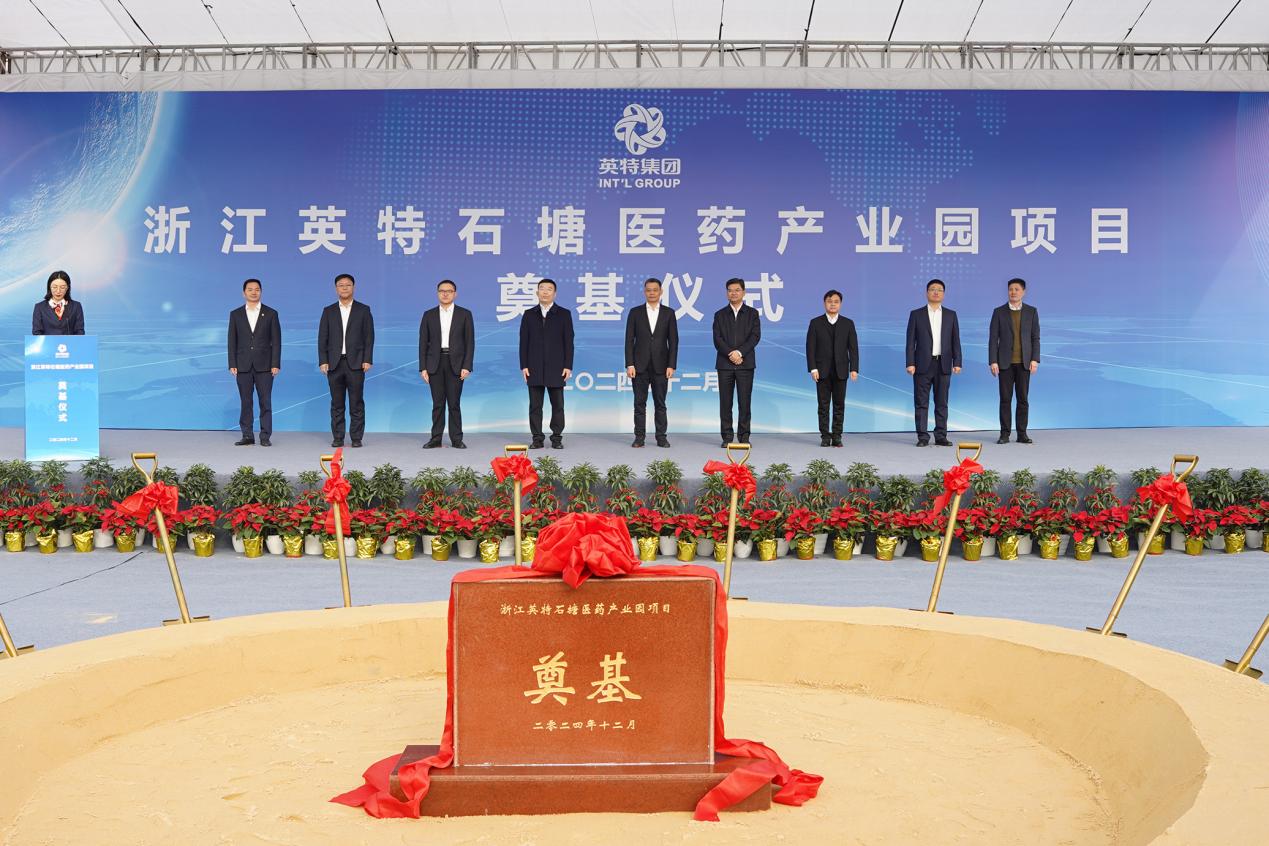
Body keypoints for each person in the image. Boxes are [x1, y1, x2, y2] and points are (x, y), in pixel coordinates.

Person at [317, 273, 374, 448]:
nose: (344, 288)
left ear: (353, 287)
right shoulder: (328, 311)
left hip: (356, 363)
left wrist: (367, 359)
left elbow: (369, 337)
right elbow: (322, 338)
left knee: (356, 403)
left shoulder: (363, 310)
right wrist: (323, 360)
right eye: (341, 285)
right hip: (334, 364)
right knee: (337, 404)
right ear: (336, 289)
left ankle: (356, 438)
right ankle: (338, 437)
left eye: (348, 285)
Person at [905, 279, 961, 447]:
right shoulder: (916, 314)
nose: (936, 292)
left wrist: (957, 361)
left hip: (943, 363)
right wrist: (910, 362)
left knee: (942, 402)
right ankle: (923, 437)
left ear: (944, 293)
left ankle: (941, 436)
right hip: (922, 364)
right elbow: (910, 341)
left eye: (939, 290)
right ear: (926, 292)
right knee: (921, 402)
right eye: (932, 289)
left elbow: (955, 340)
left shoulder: (951, 315)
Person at [419, 279, 474, 450]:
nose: (445, 294)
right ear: (437, 293)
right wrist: (423, 367)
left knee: (454, 404)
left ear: (455, 294)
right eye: (442, 291)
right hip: (434, 363)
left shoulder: (464, 314)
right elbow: (423, 342)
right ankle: (435, 438)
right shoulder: (429, 315)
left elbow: (470, 342)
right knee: (438, 404)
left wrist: (467, 366)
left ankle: (456, 439)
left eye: (449, 291)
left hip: (456, 363)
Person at [624, 277, 678, 448]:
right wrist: (630, 364)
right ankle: (639, 437)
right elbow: (629, 340)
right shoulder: (635, 312)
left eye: (655, 290)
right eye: (649, 290)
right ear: (644, 292)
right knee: (639, 404)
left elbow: (673, 341)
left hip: (661, 366)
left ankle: (661, 437)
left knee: (660, 404)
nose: (652, 293)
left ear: (661, 292)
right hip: (639, 366)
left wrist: (671, 365)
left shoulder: (669, 313)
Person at [519, 278, 573, 449]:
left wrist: (568, 365)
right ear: (537, 292)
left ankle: (556, 438)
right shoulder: (529, 314)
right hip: (533, 367)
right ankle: (537, 439)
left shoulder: (564, 314)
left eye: (549, 289)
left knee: (558, 405)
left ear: (554, 294)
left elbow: (569, 342)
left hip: (557, 367)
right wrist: (524, 365)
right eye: (542, 288)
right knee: (535, 406)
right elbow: (523, 342)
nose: (545, 292)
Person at [227, 278, 281, 447]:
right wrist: (232, 363)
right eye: (250, 289)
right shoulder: (235, 314)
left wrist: (275, 364)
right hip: (242, 365)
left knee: (265, 402)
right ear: (244, 293)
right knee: (246, 402)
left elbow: (276, 341)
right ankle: (247, 435)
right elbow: (232, 341)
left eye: (257, 289)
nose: (254, 292)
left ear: (261, 292)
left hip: (265, 366)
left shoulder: (271, 313)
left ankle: (265, 436)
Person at [988, 277, 1040, 444]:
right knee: (1005, 399)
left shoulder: (1032, 311)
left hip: (1025, 363)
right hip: (1005, 363)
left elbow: (1035, 338)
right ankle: (1004, 434)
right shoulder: (999, 312)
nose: (1013, 292)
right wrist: (993, 361)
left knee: (1023, 399)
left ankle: (1022, 433)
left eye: (1017, 289)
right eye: (1010, 289)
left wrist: (1035, 359)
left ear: (1023, 292)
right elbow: (993, 339)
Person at [805, 289, 859, 447]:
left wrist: (854, 368)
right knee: (823, 406)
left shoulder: (848, 323)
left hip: (841, 370)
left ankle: (837, 436)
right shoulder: (815, 323)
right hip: (821, 371)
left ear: (840, 304)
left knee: (839, 405)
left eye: (836, 301)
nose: (833, 304)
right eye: (829, 301)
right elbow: (810, 348)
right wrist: (813, 368)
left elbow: (853, 348)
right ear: (824, 303)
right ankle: (824, 436)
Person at [712, 277, 761, 447]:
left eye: (737, 290)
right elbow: (717, 339)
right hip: (724, 365)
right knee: (725, 402)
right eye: (730, 290)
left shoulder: (752, 314)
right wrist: (730, 353)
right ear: (727, 293)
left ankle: (744, 437)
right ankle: (727, 437)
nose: (733, 293)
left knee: (744, 402)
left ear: (744, 292)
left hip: (745, 364)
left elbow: (755, 336)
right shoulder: (719, 314)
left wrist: (739, 353)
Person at [31, 270, 84, 336]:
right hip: (48, 343)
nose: (58, 291)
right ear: (49, 287)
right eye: (54, 287)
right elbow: (36, 333)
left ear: (67, 288)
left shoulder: (76, 306)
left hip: (69, 343)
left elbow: (80, 332)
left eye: (62, 287)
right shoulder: (39, 307)